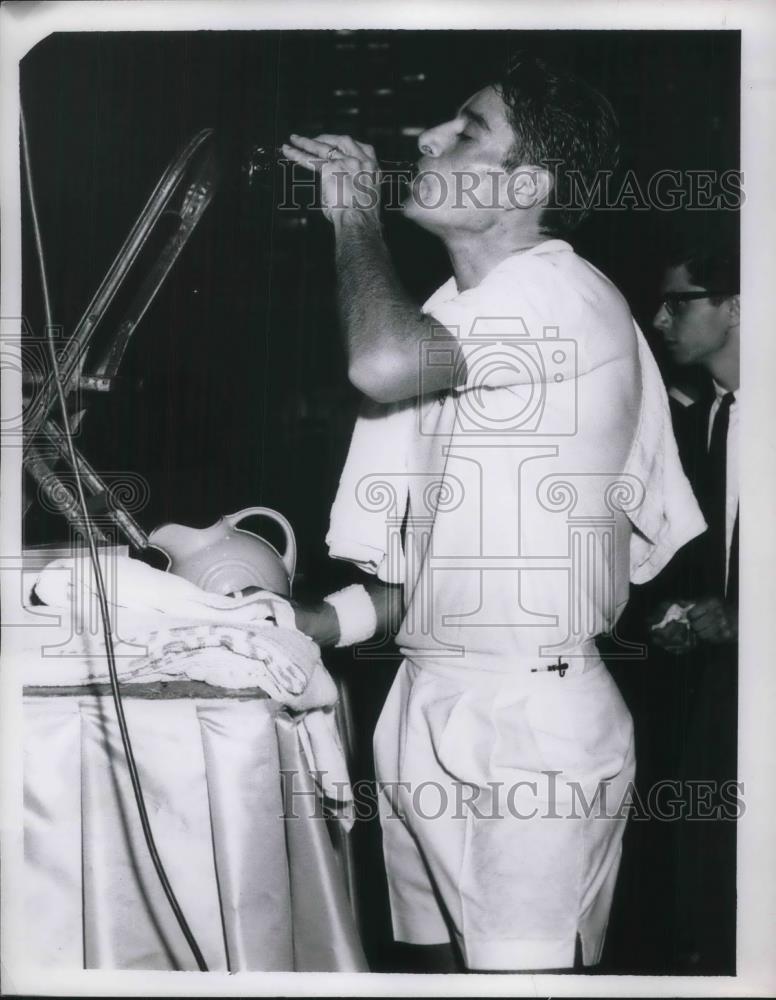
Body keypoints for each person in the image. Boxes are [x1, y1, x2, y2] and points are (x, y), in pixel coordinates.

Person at [281, 55, 705, 973]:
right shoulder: (453, 314)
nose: (427, 139)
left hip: (530, 724)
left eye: (467, 129)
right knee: (434, 975)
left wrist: (351, 211)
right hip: (430, 693)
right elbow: (422, 583)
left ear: (527, 184)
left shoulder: (559, 293)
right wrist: (313, 621)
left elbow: (378, 367)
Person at [648, 242, 740, 974]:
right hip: (719, 702)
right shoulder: (707, 420)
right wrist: (682, 611)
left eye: (680, 301)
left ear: (736, 308)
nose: (660, 317)